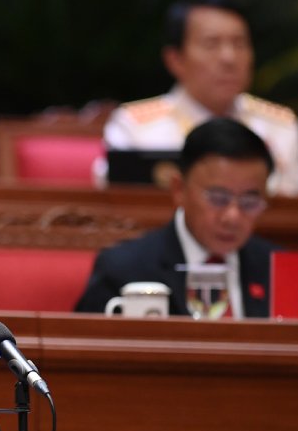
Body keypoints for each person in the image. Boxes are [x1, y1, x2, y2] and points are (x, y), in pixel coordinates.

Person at [103, 0, 298, 196]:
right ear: (175, 59)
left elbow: (297, 208)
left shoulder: (280, 127)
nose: (229, 58)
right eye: (211, 44)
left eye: (239, 44)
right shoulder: (135, 128)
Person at [76, 117, 277, 318]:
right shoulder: (122, 269)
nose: (232, 217)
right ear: (179, 189)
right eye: (218, 198)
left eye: (249, 202)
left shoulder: (277, 269)